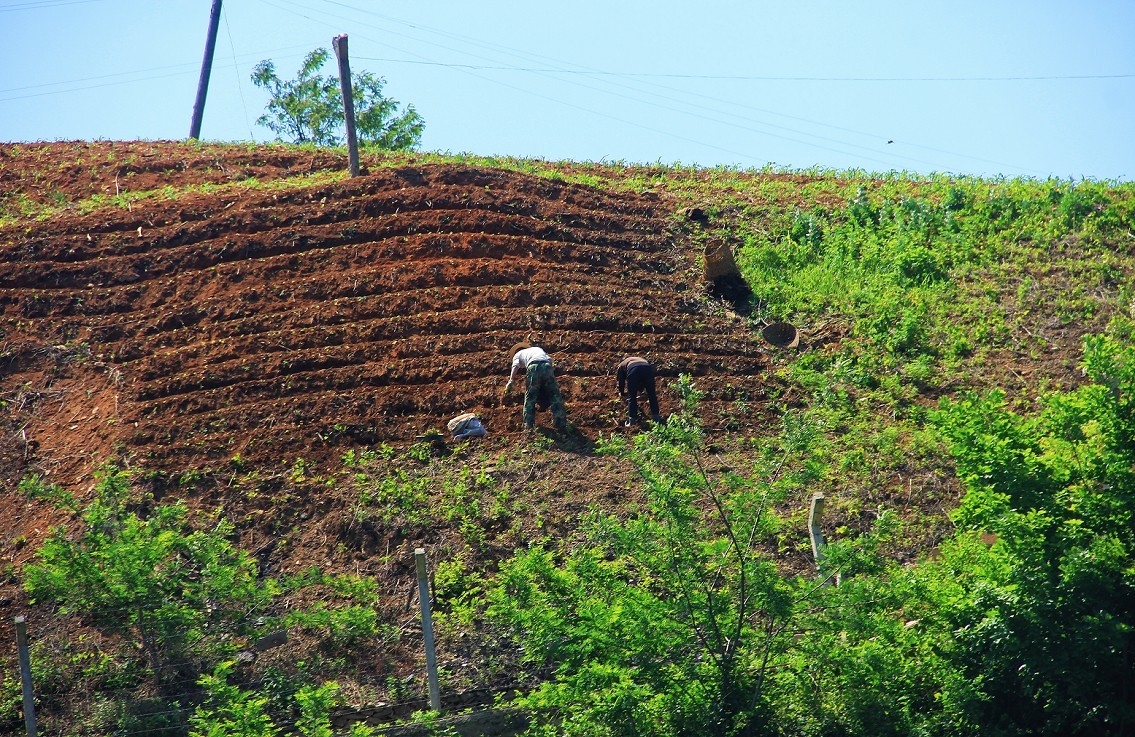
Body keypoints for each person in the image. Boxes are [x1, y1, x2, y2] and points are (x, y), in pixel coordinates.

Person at [505, 342, 568, 431]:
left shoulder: (518, 354)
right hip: (547, 366)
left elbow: (515, 366)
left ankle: (528, 426)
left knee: (530, 397)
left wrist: (511, 381)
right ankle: (560, 424)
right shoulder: (537, 349)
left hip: (534, 366)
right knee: (555, 395)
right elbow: (550, 360)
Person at [617, 356, 662, 426]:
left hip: (633, 370)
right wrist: (640, 391)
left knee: (632, 397)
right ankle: (656, 418)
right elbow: (642, 379)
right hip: (647, 369)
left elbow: (621, 381)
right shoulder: (638, 359)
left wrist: (622, 393)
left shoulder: (621, 365)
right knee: (652, 394)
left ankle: (632, 421)